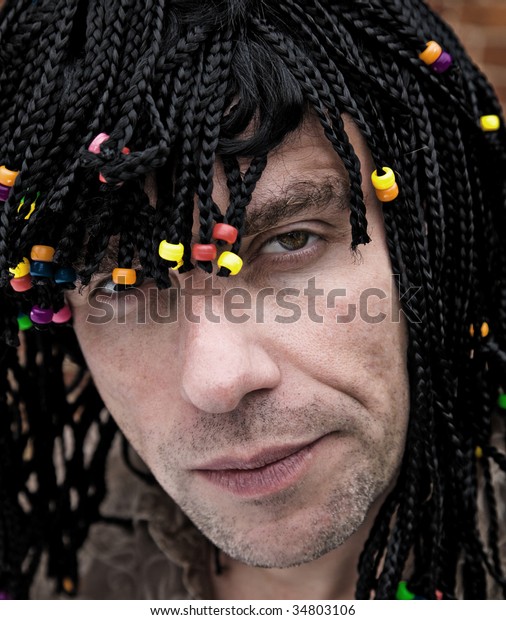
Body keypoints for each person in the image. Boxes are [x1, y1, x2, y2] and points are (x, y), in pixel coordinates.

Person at [0, 0, 505, 602]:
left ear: (436, 239)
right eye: (120, 284)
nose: (218, 382)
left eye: (293, 240)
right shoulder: (37, 557)